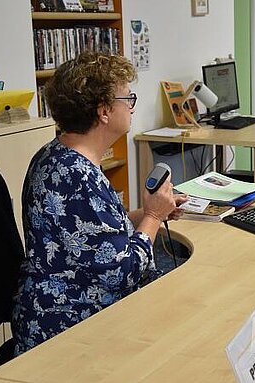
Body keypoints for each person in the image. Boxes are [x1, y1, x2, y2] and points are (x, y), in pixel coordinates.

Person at [12, 52, 187, 355]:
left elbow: (92, 234)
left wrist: (148, 213)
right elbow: (123, 273)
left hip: (49, 310)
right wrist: (154, 217)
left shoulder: (55, 155)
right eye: (127, 98)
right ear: (104, 111)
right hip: (69, 327)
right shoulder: (77, 177)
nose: (132, 106)